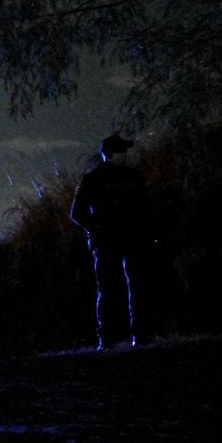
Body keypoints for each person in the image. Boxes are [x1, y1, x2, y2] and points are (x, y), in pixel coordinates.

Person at [70, 134, 151, 350]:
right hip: (108, 241)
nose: (125, 155)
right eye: (121, 151)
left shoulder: (132, 176)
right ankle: (108, 338)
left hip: (131, 239)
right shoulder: (93, 179)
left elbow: (146, 207)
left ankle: (137, 335)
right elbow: (77, 213)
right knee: (109, 288)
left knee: (134, 286)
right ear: (110, 153)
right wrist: (98, 228)